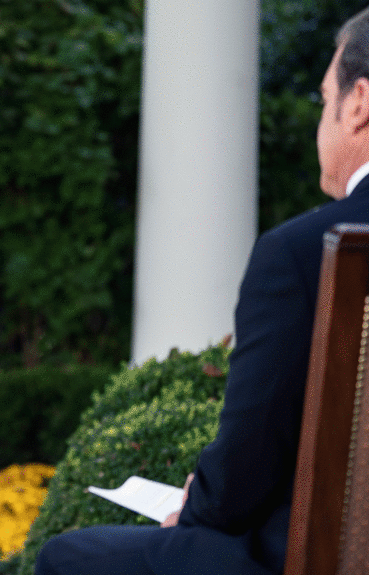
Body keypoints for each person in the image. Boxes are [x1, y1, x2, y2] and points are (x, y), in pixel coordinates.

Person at [35, 7, 369, 575]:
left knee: (70, 557)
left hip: (305, 558)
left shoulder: (304, 252)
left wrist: (199, 505)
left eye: (322, 100)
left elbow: (248, 463)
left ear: (358, 103)